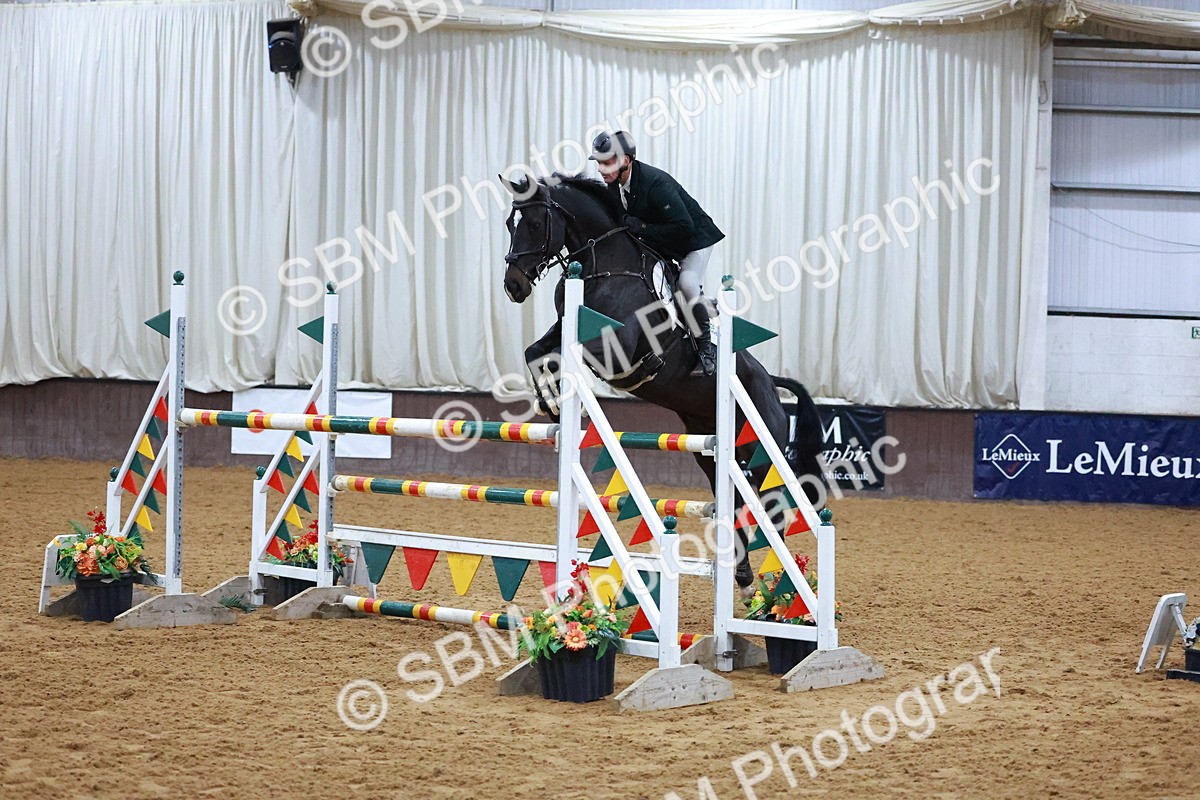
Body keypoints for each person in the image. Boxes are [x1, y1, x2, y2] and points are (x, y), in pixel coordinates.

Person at [588, 131, 724, 377]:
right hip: (663, 241)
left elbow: (684, 226)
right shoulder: (614, 186)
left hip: (693, 240)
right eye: (599, 162)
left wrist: (642, 228)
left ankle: (706, 349)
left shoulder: (655, 183)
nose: (601, 169)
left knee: (687, 284)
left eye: (607, 162)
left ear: (626, 161)